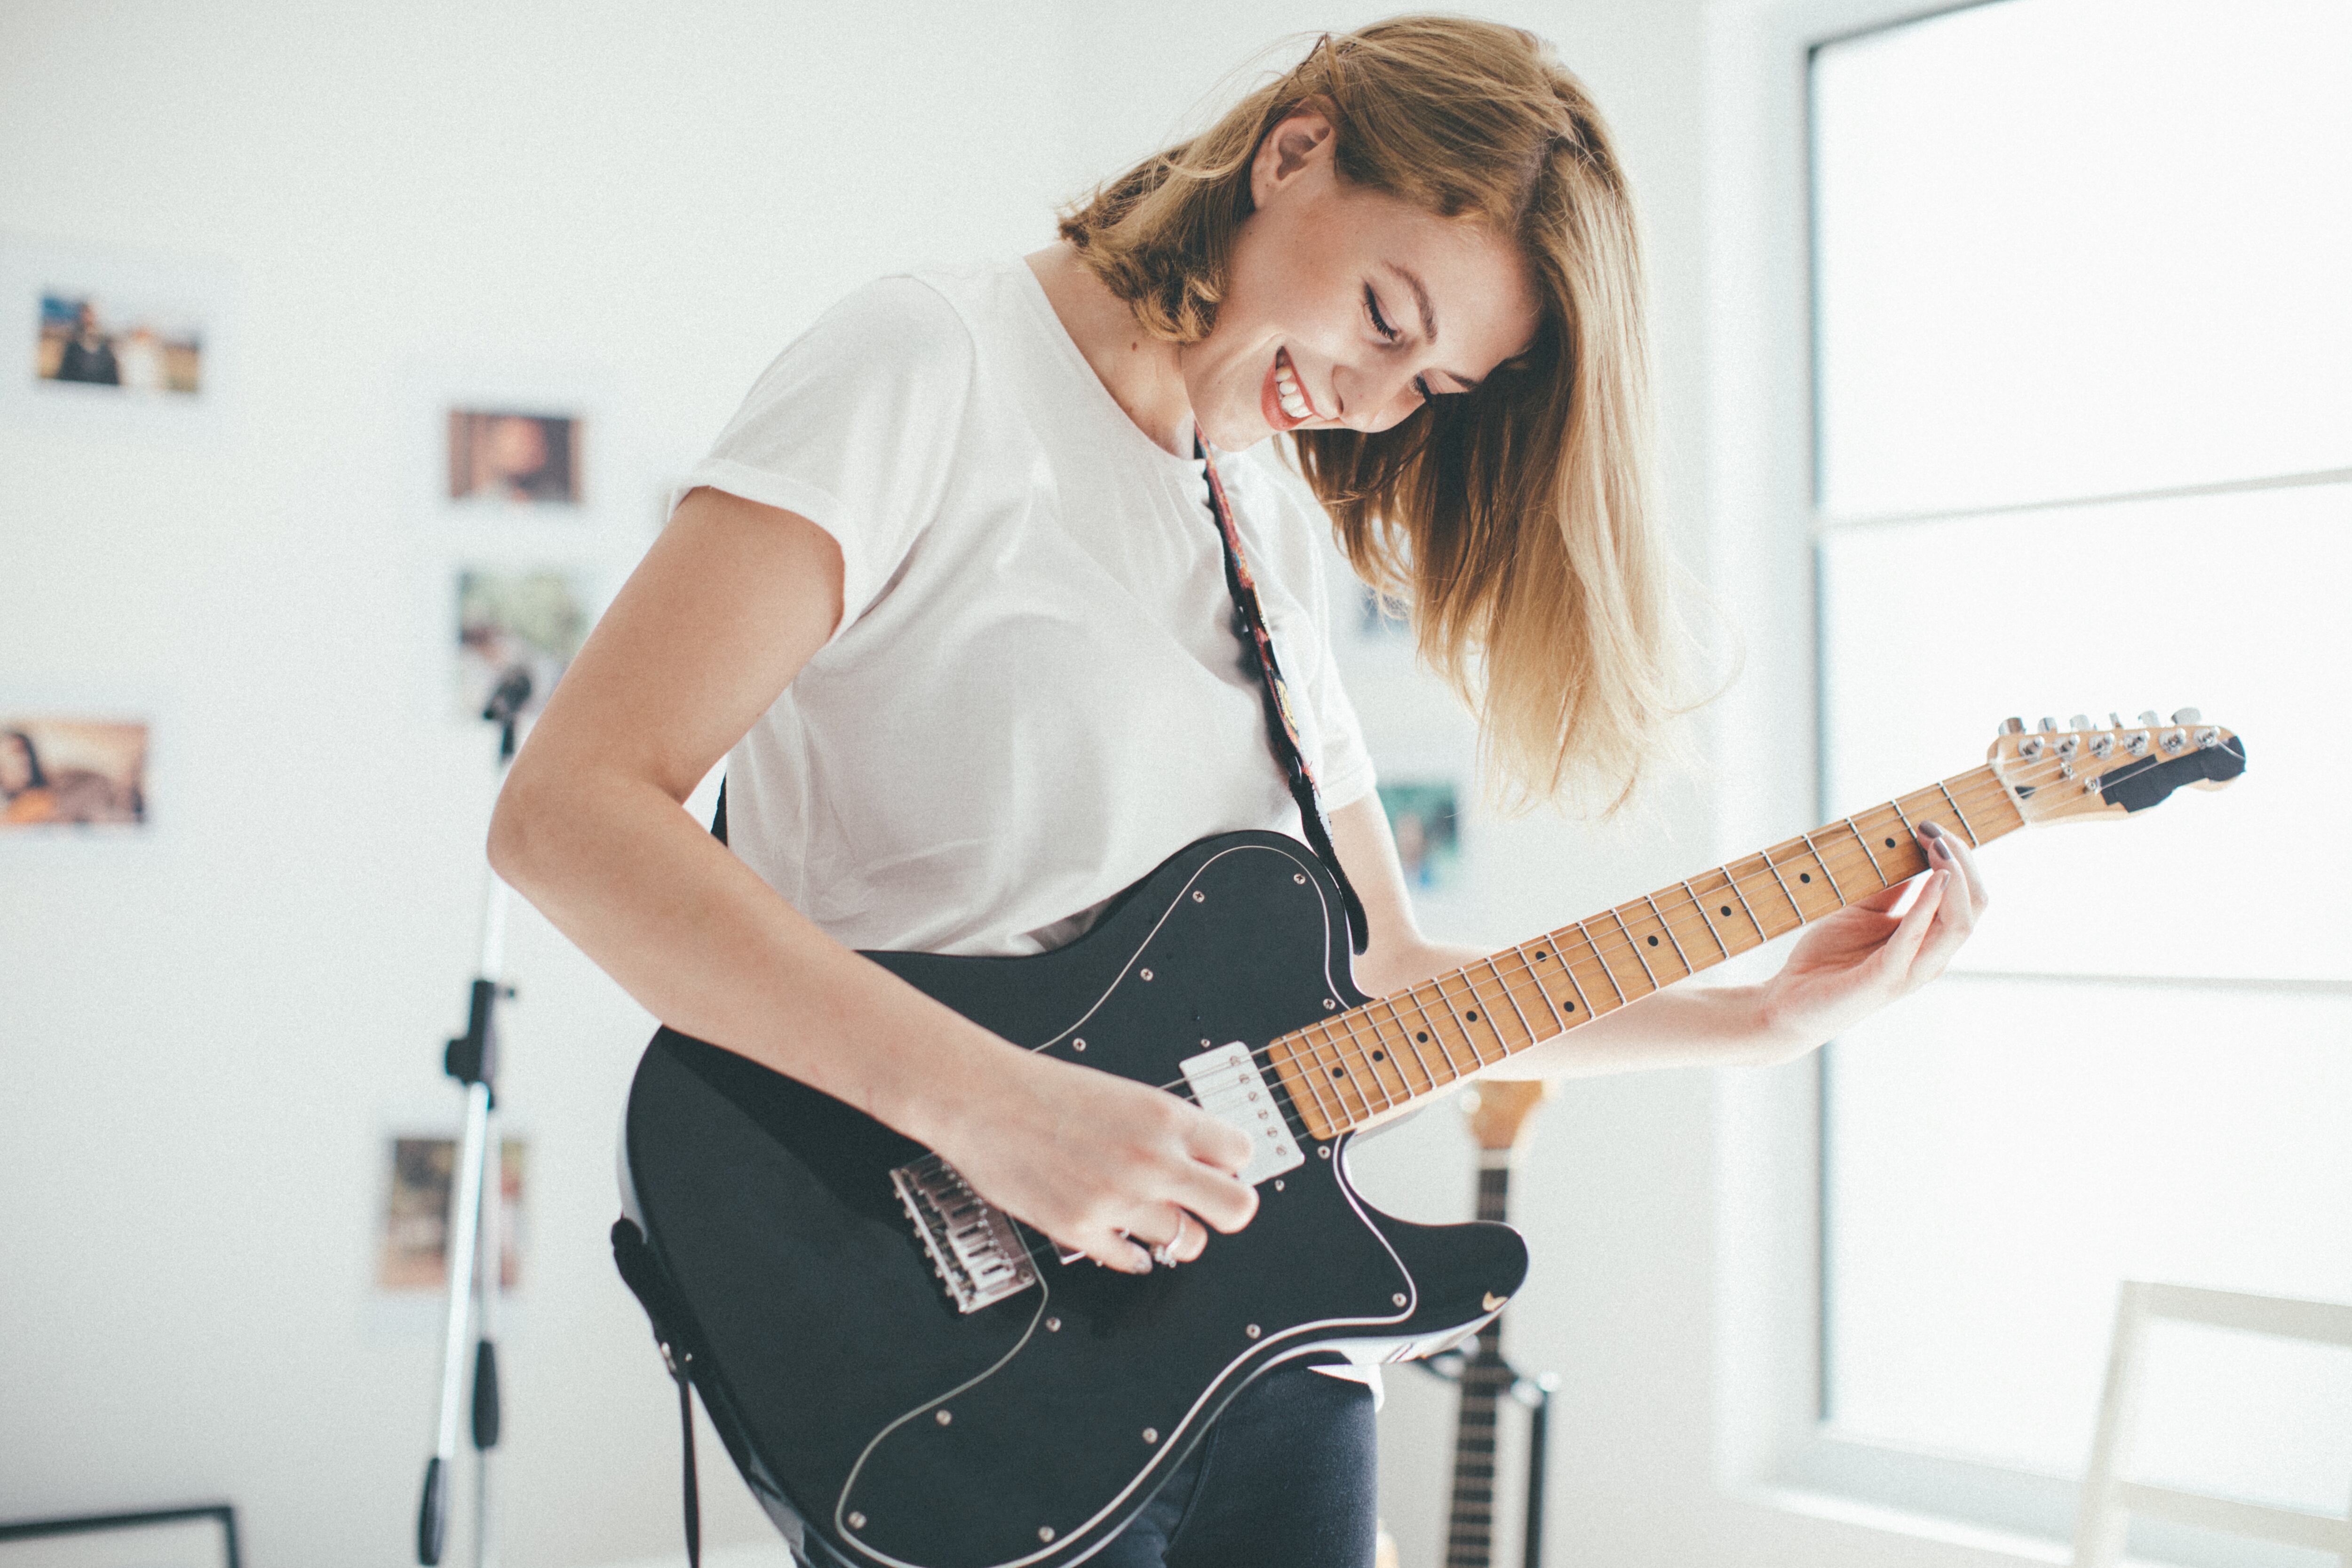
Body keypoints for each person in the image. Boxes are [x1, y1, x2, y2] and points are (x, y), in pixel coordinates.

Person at [488, 17, 1987, 1566]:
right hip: (970, 1364)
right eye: (1384, 314)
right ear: (1295, 148)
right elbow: (573, 814)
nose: (1371, 397)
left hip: (1262, 1368)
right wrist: (996, 1109)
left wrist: (1758, 1025)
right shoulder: (933, 357)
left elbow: (1387, 982)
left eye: (1436, 383)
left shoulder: (1261, 535)